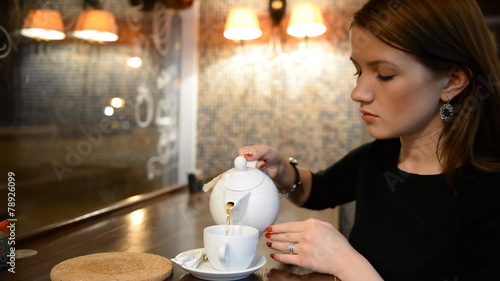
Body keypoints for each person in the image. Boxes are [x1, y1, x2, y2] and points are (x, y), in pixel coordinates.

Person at [238, 0, 500, 280]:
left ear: (451, 81)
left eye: (385, 75)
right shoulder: (380, 157)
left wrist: (346, 263)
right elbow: (318, 189)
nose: (358, 93)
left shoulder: (488, 196)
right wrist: (282, 171)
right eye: (358, 71)